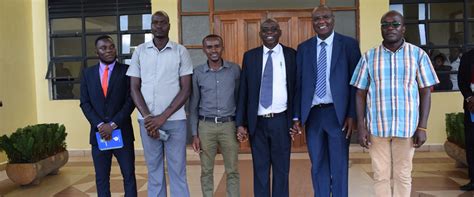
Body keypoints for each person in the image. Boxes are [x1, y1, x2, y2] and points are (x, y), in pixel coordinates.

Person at [350, 10, 439, 197]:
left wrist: (422, 127)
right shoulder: (369, 57)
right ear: (381, 29)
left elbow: (425, 92)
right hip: (377, 128)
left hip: (407, 128)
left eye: (395, 24)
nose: (390, 28)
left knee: (403, 175)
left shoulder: (418, 55)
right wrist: (361, 126)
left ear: (403, 29)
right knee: (380, 175)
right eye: (385, 24)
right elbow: (360, 93)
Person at [291, 5, 361, 197]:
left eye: (325, 17)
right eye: (317, 19)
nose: (321, 22)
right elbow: (299, 85)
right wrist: (297, 116)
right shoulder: (304, 48)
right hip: (313, 115)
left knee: (338, 165)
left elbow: (356, 84)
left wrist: (351, 114)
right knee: (317, 164)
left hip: (337, 115)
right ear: (312, 22)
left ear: (333, 19)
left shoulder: (348, 45)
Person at [126, 11, 192, 197]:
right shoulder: (139, 51)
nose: (159, 25)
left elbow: (186, 89)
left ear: (169, 25)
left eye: (163, 22)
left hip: (175, 122)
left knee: (177, 170)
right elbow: (134, 88)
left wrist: (161, 118)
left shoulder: (181, 51)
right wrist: (148, 118)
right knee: (154, 170)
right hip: (147, 123)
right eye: (155, 22)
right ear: (151, 26)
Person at [235, 18, 296, 197]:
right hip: (258, 123)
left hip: (281, 121)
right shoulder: (250, 56)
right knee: (260, 170)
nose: (269, 33)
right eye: (265, 30)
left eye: (273, 29)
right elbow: (243, 91)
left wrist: (296, 119)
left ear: (280, 32)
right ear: (260, 33)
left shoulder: (291, 55)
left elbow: (296, 89)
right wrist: (241, 122)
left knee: (282, 170)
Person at [80, 35, 137, 197]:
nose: (108, 50)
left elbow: (130, 101)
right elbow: (85, 103)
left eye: (111, 46)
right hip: (99, 135)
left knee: (129, 175)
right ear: (96, 51)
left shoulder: (126, 71)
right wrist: (100, 125)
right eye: (103, 48)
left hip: (122, 133)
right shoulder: (87, 74)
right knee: (102, 177)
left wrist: (112, 125)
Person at [189, 34, 241, 197]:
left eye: (217, 46)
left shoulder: (234, 70)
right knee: (206, 170)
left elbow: (240, 99)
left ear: (222, 47)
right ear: (204, 49)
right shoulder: (197, 72)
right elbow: (193, 105)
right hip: (206, 127)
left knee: (232, 169)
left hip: (229, 126)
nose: (213, 50)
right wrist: (194, 134)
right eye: (209, 47)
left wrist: (241, 125)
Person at [458, 48, 474, 191]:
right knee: (472, 144)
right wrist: (470, 98)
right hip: (472, 107)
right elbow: (462, 81)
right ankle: (473, 180)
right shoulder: (468, 57)